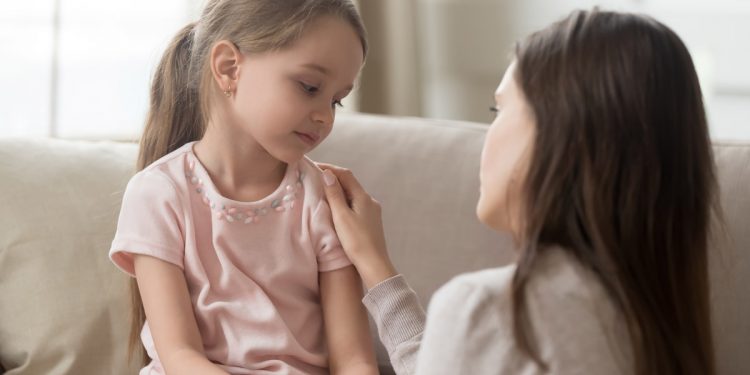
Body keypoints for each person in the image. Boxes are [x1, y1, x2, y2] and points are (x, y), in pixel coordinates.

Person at [320, 9, 717, 375]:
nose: (487, 137)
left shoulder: (489, 309)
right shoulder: (656, 322)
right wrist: (376, 267)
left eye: (499, 111)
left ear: (561, 137)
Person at [108, 1, 377, 374]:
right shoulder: (158, 194)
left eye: (336, 100)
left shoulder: (322, 197)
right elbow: (180, 356)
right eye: (309, 87)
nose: (325, 116)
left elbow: (353, 359)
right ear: (229, 68)